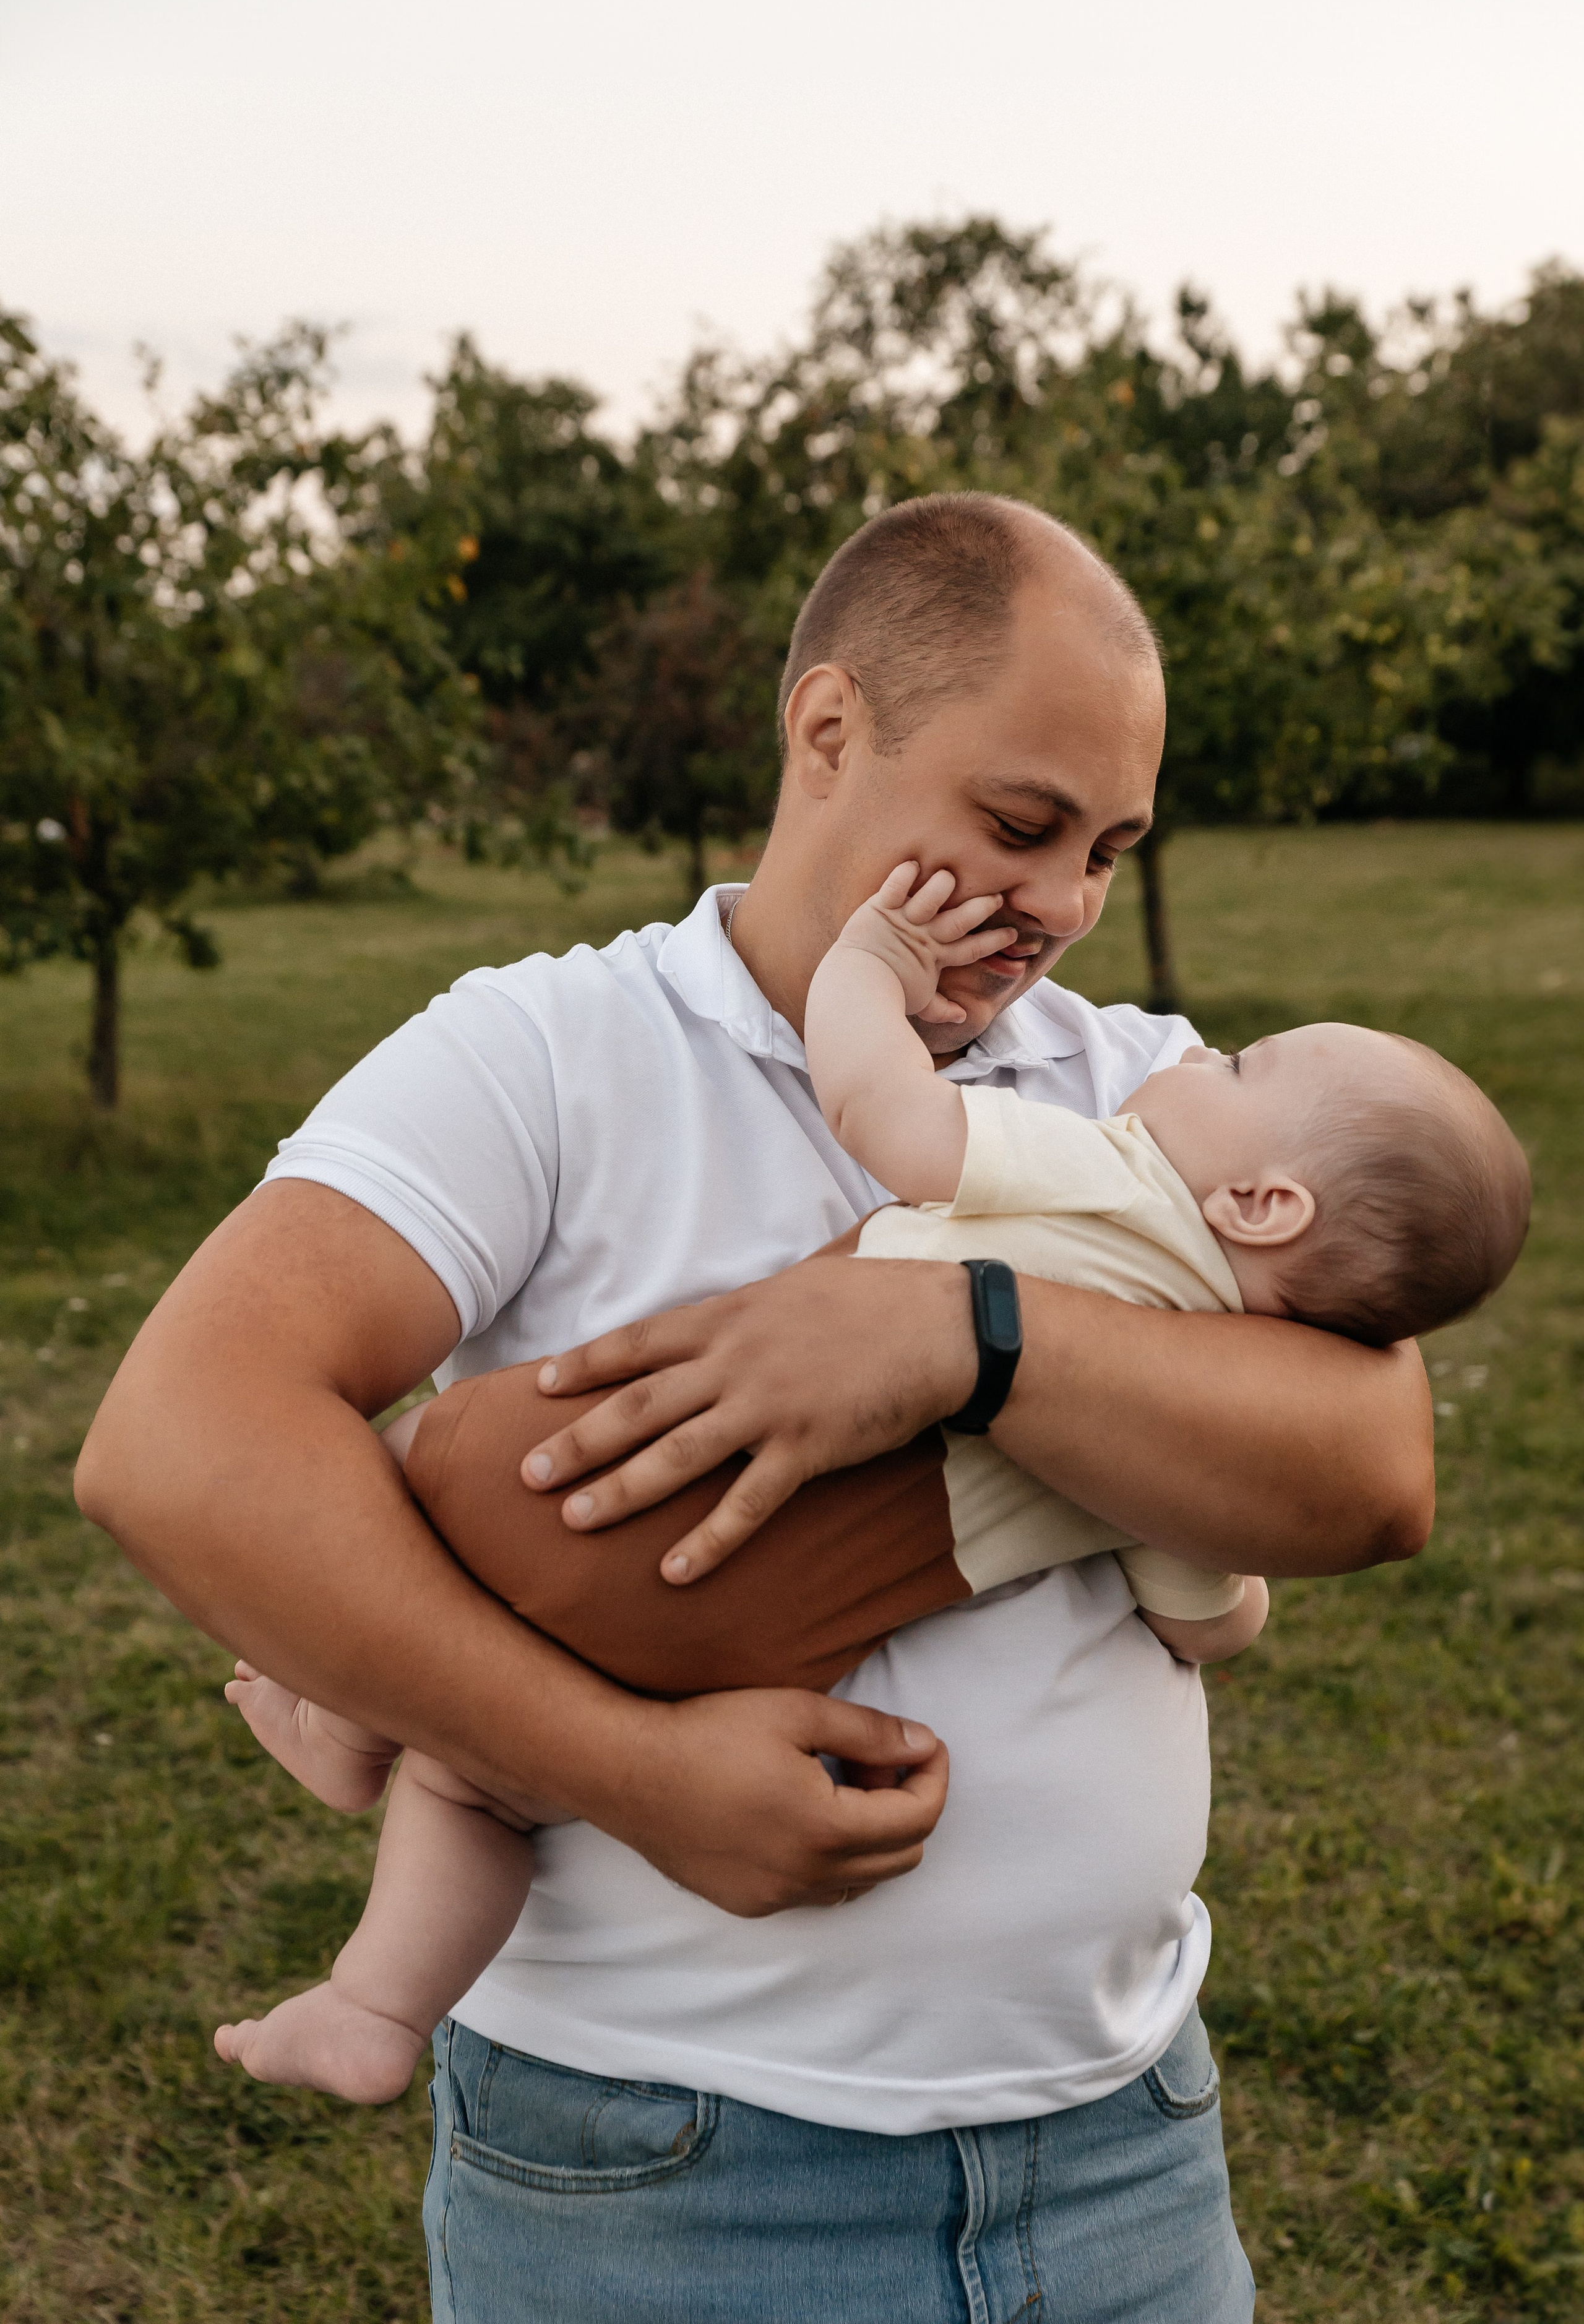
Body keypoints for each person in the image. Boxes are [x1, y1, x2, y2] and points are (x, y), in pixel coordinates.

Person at [77, 494, 1437, 2324]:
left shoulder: (1145, 1092)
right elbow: (177, 1441)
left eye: (1108, 850)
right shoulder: (549, 1052)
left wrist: (966, 1341)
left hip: (1124, 2160)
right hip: (670, 2191)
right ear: (828, 729)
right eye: (1017, 824)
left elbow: (1374, 1469)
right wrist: (630, 1778)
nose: (1061, 904)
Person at [207, 861, 1526, 2111]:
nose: (1193, 1054)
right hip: (761, 1645)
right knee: (479, 1790)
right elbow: (1200, 1621)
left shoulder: (1113, 1169)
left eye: (1237, 1066)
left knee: (412, 1477)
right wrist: (1237, 1595)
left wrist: (867, 970)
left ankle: (346, 1723)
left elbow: (882, 1110)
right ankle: (376, 2007)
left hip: (622, 1476)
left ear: (1261, 1207)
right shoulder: (1198, 1405)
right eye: (1021, 828)